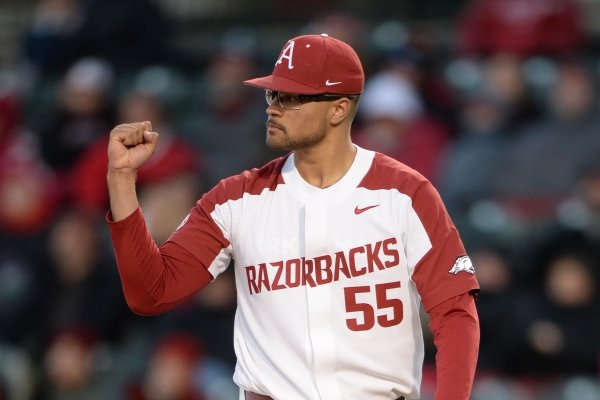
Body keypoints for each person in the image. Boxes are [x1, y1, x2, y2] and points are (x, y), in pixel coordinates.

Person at [105, 34, 480, 400]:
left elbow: (454, 312)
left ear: (339, 108)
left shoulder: (404, 194)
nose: (273, 107)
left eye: (292, 97)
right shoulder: (236, 199)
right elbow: (151, 294)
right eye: (273, 94)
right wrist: (122, 180)